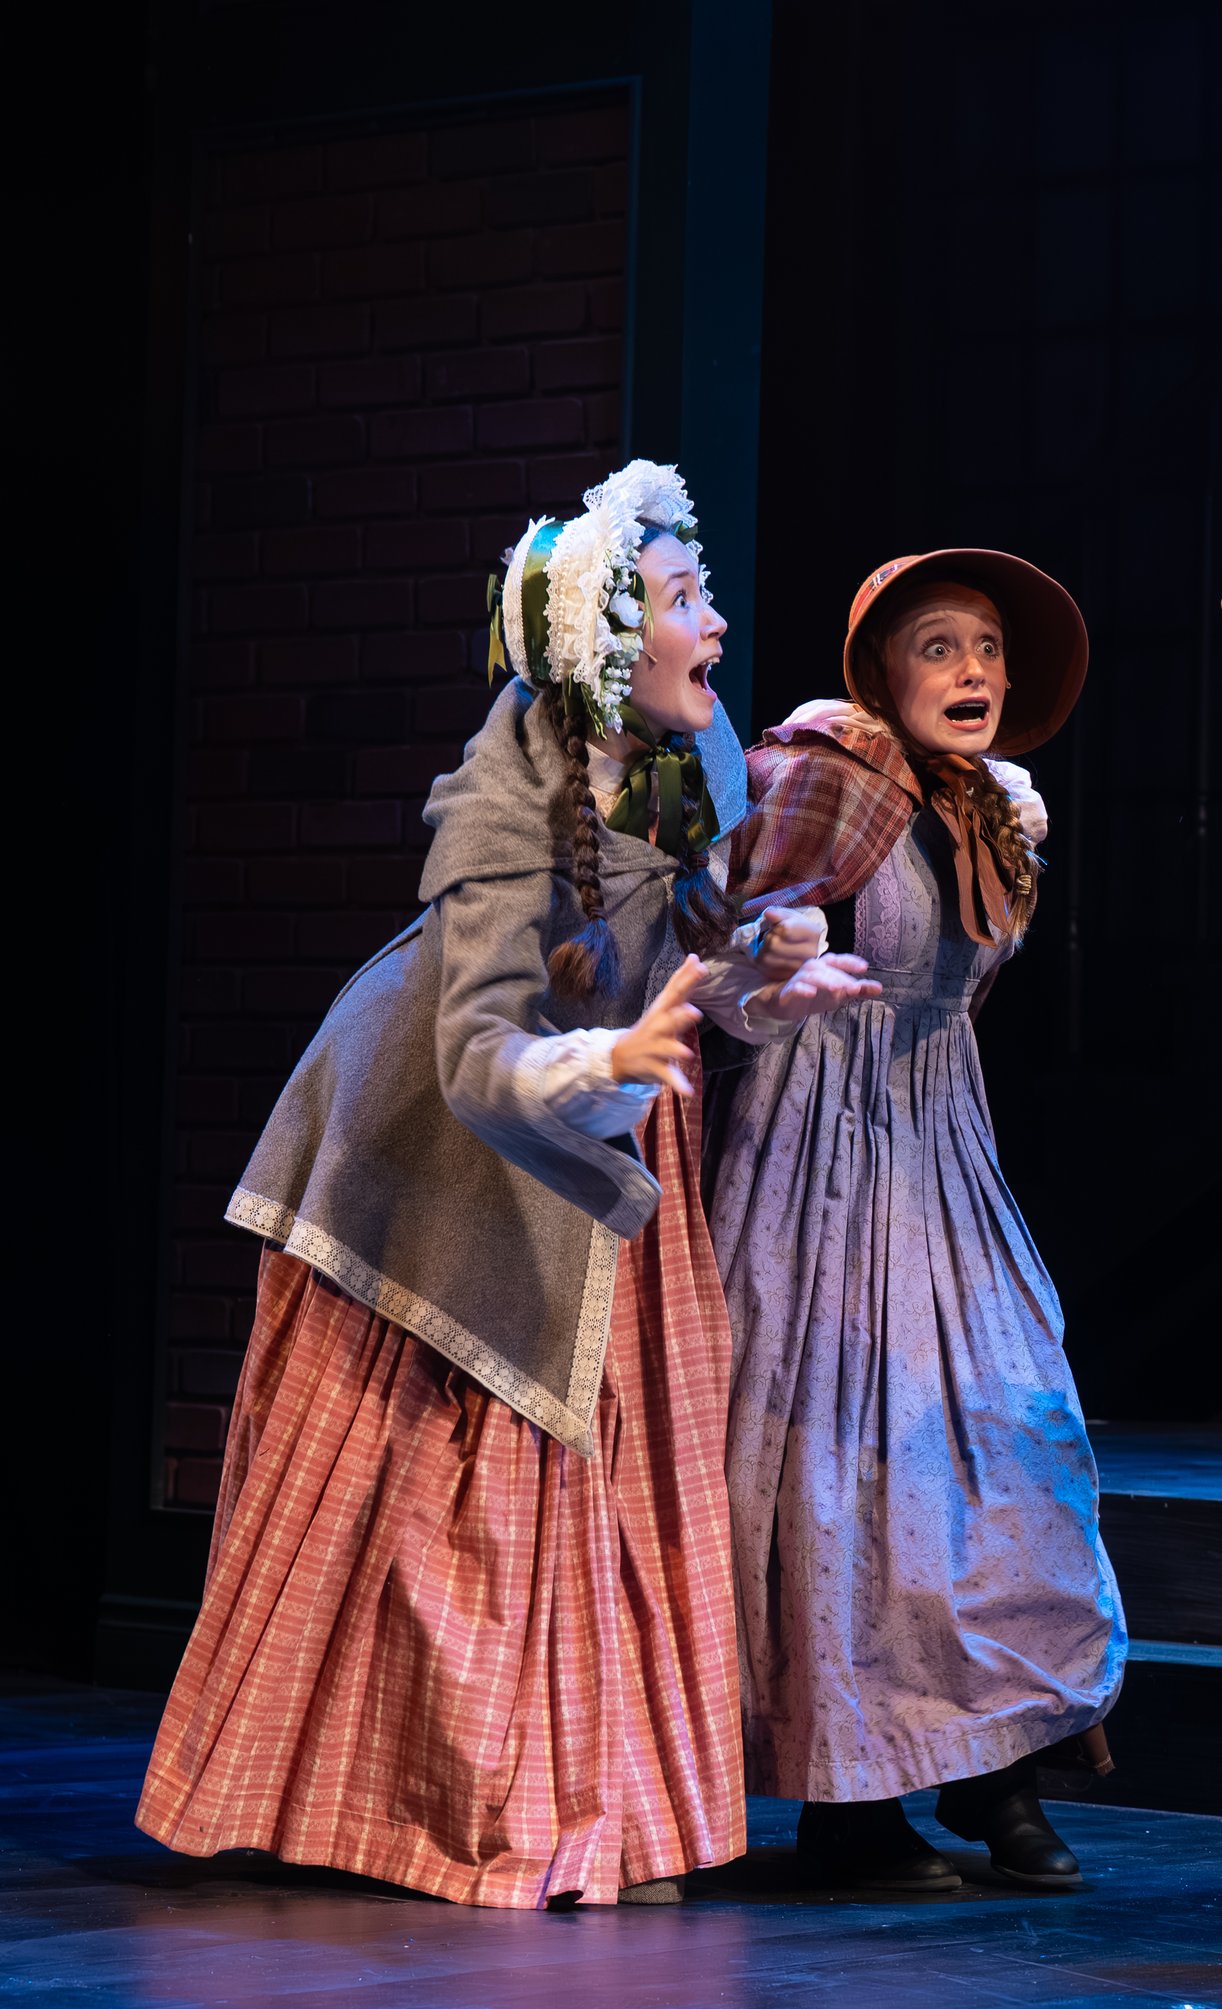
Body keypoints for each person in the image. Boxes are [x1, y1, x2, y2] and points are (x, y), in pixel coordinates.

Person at [138, 462, 874, 1908]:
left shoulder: (693, 752)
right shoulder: (501, 807)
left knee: (615, 1463)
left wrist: (764, 977)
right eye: (684, 601)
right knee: (443, 1476)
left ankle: (615, 1804)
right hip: (442, 1143)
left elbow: (688, 937)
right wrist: (622, 1047)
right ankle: (418, 1803)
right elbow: (479, 1061)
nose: (717, 622)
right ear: (607, 646)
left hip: (605, 1118)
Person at [705, 550, 1126, 1893]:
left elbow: (960, 990)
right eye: (938, 645)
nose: (973, 670)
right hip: (814, 1151)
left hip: (939, 1138)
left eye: (988, 647)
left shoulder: (993, 805)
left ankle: (995, 1765)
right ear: (880, 670)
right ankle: (854, 1797)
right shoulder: (818, 773)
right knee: (848, 1476)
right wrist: (774, 970)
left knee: (1016, 1443)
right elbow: (706, 952)